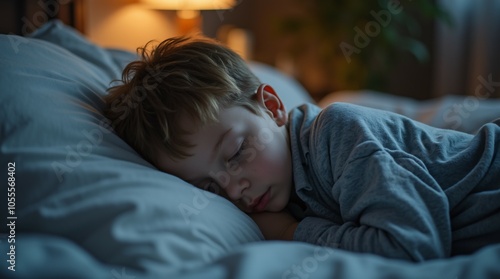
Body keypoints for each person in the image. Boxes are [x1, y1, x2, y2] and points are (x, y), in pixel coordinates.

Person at [104, 35, 500, 262]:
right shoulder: (285, 186)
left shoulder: (336, 135)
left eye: (237, 151)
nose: (232, 189)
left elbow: (414, 247)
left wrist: (294, 233)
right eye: (208, 186)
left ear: (273, 107)